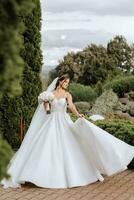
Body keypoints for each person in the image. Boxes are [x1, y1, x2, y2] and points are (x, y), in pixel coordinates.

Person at [0, 74, 134, 189]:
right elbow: (46, 107)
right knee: (46, 145)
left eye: (68, 83)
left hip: (63, 120)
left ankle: (74, 174)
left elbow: (71, 106)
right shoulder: (50, 94)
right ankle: (37, 173)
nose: (66, 84)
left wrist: (78, 114)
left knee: (71, 144)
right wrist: (46, 107)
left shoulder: (67, 95)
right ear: (60, 81)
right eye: (65, 82)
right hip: (51, 121)